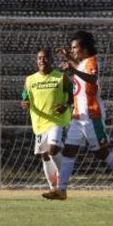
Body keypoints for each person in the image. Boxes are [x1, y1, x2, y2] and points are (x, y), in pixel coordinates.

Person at [42, 31, 113, 200]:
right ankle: (61, 190)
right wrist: (69, 60)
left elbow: (92, 79)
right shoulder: (81, 63)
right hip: (78, 115)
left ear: (84, 49)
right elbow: (78, 70)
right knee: (69, 151)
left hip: (91, 116)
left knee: (101, 153)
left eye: (74, 48)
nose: (72, 51)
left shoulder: (91, 61)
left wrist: (72, 68)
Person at [22, 48, 73, 191]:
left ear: (51, 60)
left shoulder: (61, 77)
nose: (42, 60)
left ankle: (63, 179)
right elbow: (25, 96)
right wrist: (24, 102)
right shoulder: (30, 80)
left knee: (53, 149)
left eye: (45, 58)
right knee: (44, 156)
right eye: (39, 58)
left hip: (57, 120)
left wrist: (66, 106)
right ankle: (53, 188)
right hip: (39, 123)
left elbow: (72, 95)